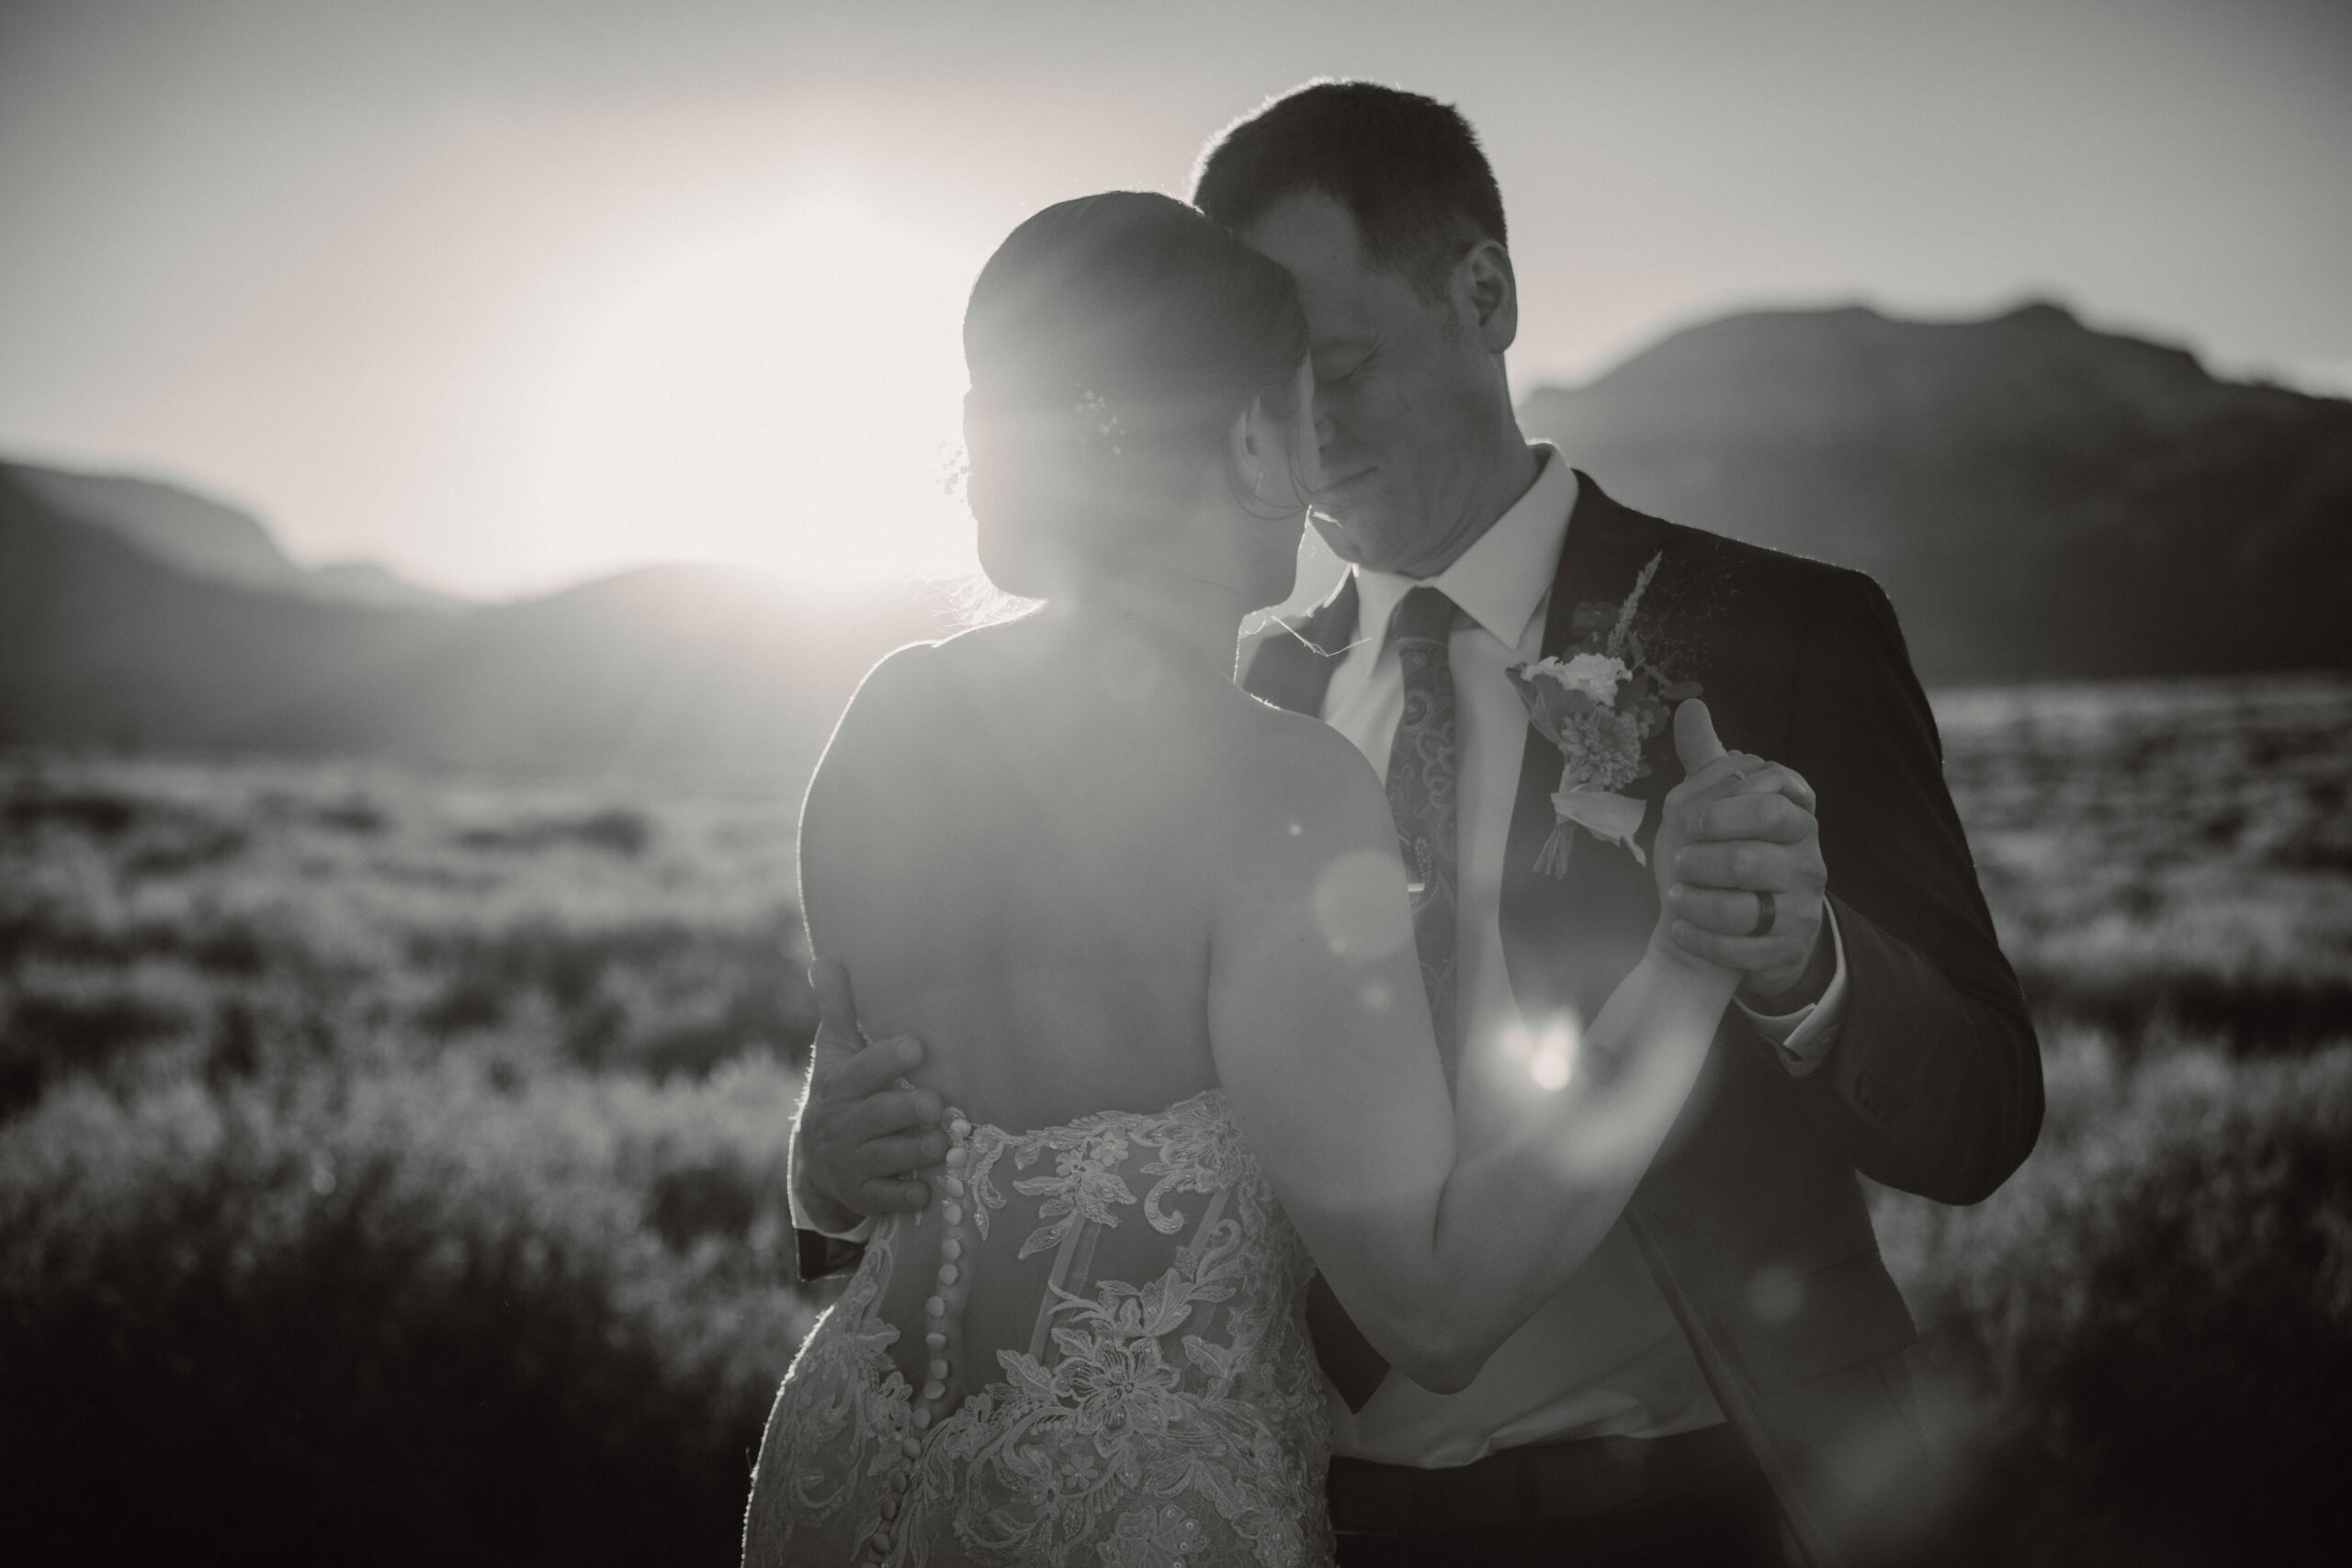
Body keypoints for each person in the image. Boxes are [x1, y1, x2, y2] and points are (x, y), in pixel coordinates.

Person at [790, 85, 2044, 1568]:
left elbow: (1981, 1113)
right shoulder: (1220, 704)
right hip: (1318, 1519)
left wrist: (1797, 959)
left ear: (1486, 295)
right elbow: (1001, 1120)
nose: (1315, 437)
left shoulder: (1787, 634)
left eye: (1341, 365)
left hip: (1721, 1505)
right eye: (1276, 383)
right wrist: (822, 1163)